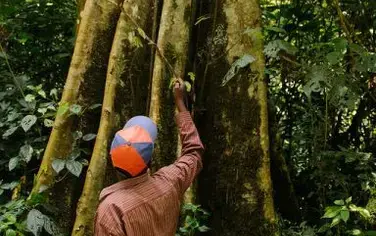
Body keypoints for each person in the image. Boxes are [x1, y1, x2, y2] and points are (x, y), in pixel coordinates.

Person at [94, 80, 204, 236]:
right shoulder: (170, 182)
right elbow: (194, 153)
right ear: (150, 160)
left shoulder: (112, 210)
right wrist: (180, 103)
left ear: (112, 160)